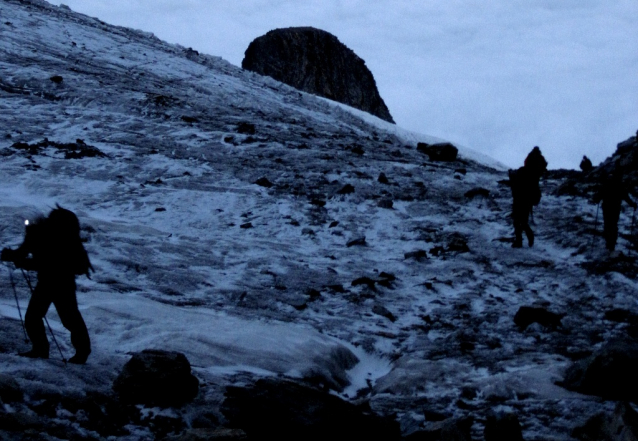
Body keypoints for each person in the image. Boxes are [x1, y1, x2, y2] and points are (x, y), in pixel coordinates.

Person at [1, 206, 92, 364]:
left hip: (54, 282)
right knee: (68, 319)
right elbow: (40, 260)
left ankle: (42, 349)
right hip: (62, 282)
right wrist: (17, 257)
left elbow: (44, 262)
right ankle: (80, 353)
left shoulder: (40, 234)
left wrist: (16, 258)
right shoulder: (60, 236)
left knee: (37, 317)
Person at [509, 147, 548, 248]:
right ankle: (528, 236)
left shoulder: (523, 172)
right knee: (523, 219)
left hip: (520, 197)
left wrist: (512, 176)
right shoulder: (535, 176)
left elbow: (516, 184)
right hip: (529, 198)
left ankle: (519, 240)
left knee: (517, 219)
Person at [593, 173, 637, 252]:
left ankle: (608, 242)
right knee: (613, 224)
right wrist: (632, 204)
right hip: (615, 208)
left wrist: (596, 199)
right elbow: (626, 197)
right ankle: (612, 243)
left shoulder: (605, 185)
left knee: (607, 224)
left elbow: (598, 196)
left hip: (607, 208)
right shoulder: (619, 186)